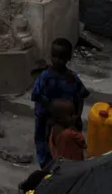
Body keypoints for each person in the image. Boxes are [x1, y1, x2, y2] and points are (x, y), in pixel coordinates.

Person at [30, 37, 89, 168]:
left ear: (69, 58)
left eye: (61, 58)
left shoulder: (72, 78)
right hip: (46, 119)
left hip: (66, 121)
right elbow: (37, 96)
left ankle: (63, 168)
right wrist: (51, 112)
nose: (57, 60)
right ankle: (46, 168)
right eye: (54, 56)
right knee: (44, 143)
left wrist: (77, 116)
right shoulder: (45, 77)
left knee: (65, 145)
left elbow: (81, 97)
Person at [48, 97, 87, 161]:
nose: (74, 117)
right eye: (70, 115)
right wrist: (75, 129)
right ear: (59, 118)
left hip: (61, 165)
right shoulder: (69, 134)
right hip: (74, 166)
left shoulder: (53, 129)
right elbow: (83, 144)